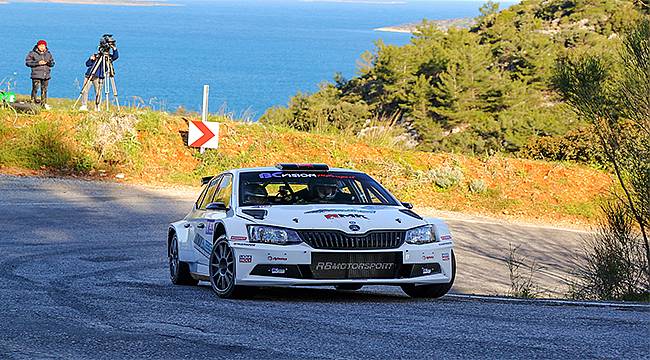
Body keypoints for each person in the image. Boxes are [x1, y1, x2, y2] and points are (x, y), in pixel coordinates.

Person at [79, 46, 119, 111]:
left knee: (98, 92)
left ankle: (97, 107)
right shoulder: (96, 56)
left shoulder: (108, 58)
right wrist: (91, 59)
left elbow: (116, 56)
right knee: (85, 90)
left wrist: (114, 48)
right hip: (89, 75)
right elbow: (87, 64)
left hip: (99, 77)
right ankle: (84, 105)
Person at [25, 40, 55, 109]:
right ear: (37, 46)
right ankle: (33, 102)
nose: (42, 47)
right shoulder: (32, 53)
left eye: (43, 46)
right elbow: (28, 63)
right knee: (35, 89)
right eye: (40, 46)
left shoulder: (48, 53)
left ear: (45, 46)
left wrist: (48, 63)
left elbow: (53, 63)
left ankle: (43, 104)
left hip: (46, 75)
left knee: (44, 90)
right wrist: (38, 63)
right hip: (36, 74)